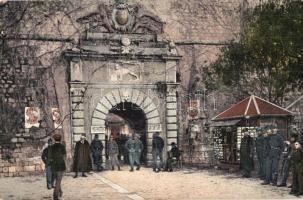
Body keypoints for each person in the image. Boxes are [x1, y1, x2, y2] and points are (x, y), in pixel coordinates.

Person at [49, 133, 66, 200]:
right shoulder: (62, 146)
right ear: (60, 139)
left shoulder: (51, 147)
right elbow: (64, 156)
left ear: (54, 139)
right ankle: (55, 196)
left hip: (53, 166)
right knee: (58, 181)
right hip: (60, 166)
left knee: (57, 180)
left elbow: (50, 157)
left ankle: (60, 192)